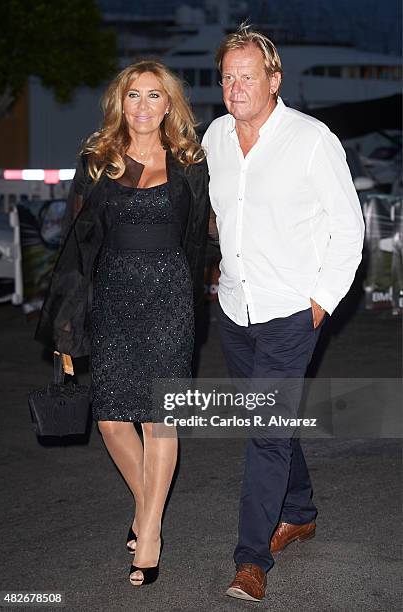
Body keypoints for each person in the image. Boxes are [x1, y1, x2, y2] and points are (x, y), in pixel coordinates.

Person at [202, 25, 365, 602]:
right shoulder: (216, 138)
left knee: (266, 434)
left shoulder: (312, 139)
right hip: (236, 309)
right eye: (227, 77)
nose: (235, 86)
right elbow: (217, 216)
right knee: (266, 423)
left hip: (292, 311)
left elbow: (350, 229)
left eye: (247, 76)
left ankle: (251, 561)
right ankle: (300, 510)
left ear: (274, 80)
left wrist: (322, 298)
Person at [35, 60, 210, 586]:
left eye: (154, 96)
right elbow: (75, 244)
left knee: (161, 420)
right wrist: (67, 325)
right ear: (120, 103)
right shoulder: (101, 161)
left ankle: (149, 534)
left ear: (169, 105)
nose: (143, 106)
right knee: (112, 420)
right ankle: (147, 507)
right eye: (133, 95)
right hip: (112, 299)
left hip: (171, 300)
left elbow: (199, 237)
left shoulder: (187, 161)